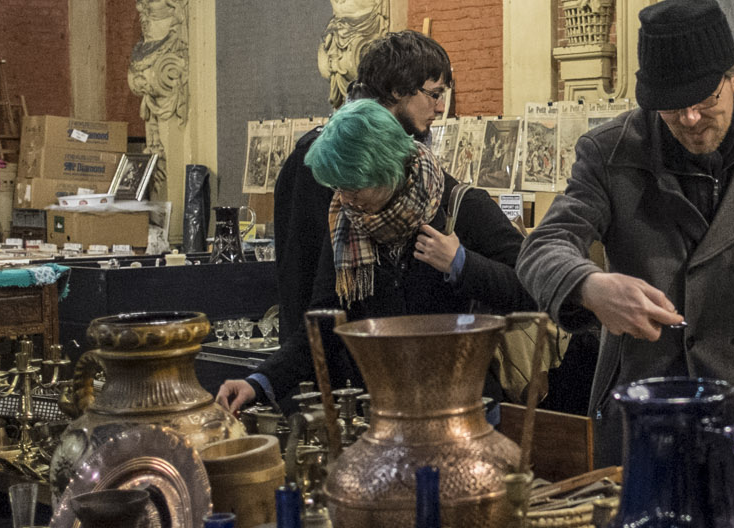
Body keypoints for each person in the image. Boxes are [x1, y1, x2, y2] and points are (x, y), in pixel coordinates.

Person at [517, 0, 734, 482]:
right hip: (640, 418)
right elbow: (543, 247)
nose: (689, 119)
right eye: (671, 107)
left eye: (705, 101)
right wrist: (590, 286)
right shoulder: (610, 150)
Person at [217, 98, 529, 410]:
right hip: (385, 411)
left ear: (387, 168)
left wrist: (461, 264)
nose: (346, 199)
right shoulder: (347, 222)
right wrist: (259, 382)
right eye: (340, 188)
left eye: (355, 187)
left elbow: (529, 289)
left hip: (465, 408)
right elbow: (324, 323)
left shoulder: (462, 207)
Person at [268, 31, 455, 358]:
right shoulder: (321, 158)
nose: (440, 107)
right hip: (334, 360)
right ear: (398, 90)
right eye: (433, 94)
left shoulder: (414, 164)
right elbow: (301, 275)